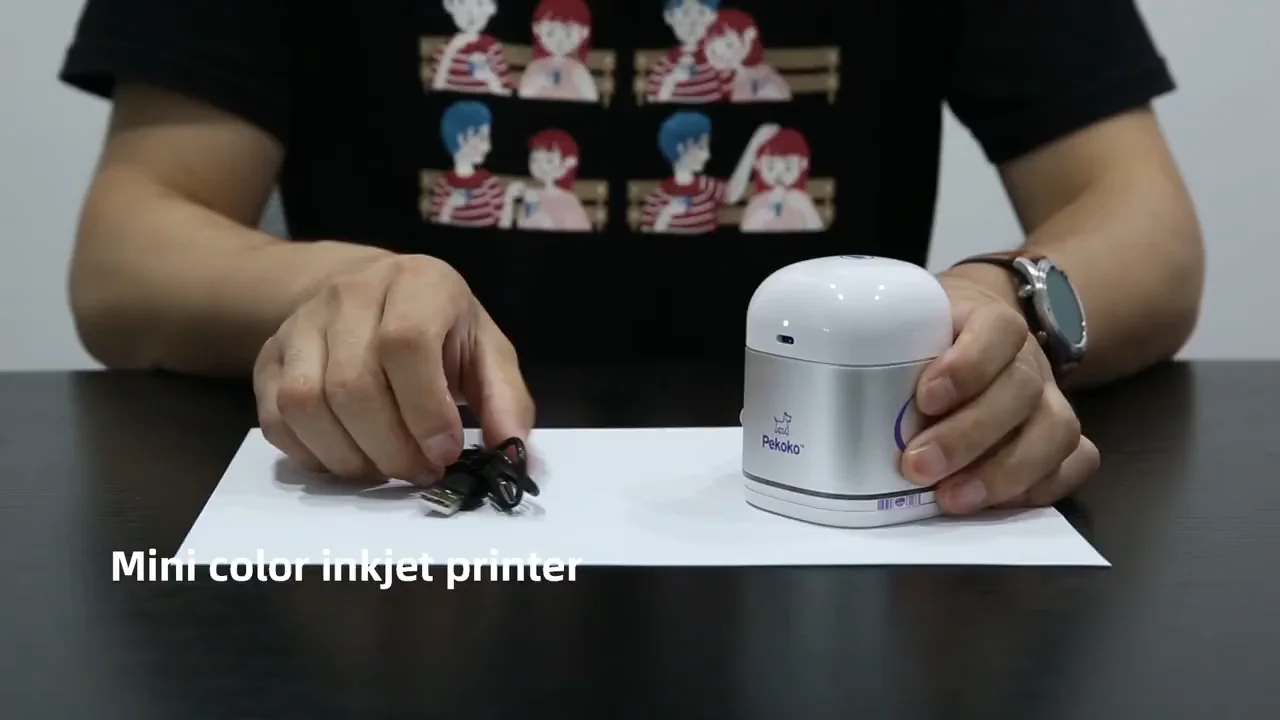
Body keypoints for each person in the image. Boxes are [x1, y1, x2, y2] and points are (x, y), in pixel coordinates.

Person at [59, 0, 1204, 516]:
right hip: (400, 514)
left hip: (840, 523)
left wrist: (1000, 304)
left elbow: (1140, 221)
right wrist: (336, 291)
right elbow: (129, 250)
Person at [639, 113, 775, 234]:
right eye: (701, 147)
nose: (707, 155)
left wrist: (754, 144)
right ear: (681, 148)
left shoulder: (706, 185)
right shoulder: (657, 199)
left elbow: (732, 193)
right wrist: (666, 215)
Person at [501, 129, 592, 232]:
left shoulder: (569, 201)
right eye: (534, 159)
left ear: (568, 163)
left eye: (549, 161)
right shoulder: (531, 197)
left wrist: (547, 225)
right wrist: (508, 200)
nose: (541, 166)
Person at [739, 127, 823, 232]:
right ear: (758, 164)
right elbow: (747, 228)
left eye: (788, 167)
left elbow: (815, 226)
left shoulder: (801, 200)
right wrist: (763, 214)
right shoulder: (758, 200)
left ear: (803, 164)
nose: (779, 174)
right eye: (770, 167)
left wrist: (804, 208)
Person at [517, 0, 599, 103]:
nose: (558, 41)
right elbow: (524, 92)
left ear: (584, 33)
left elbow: (590, 96)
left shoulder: (577, 70)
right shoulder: (536, 67)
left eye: (568, 34)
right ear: (537, 29)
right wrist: (537, 82)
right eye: (550, 33)